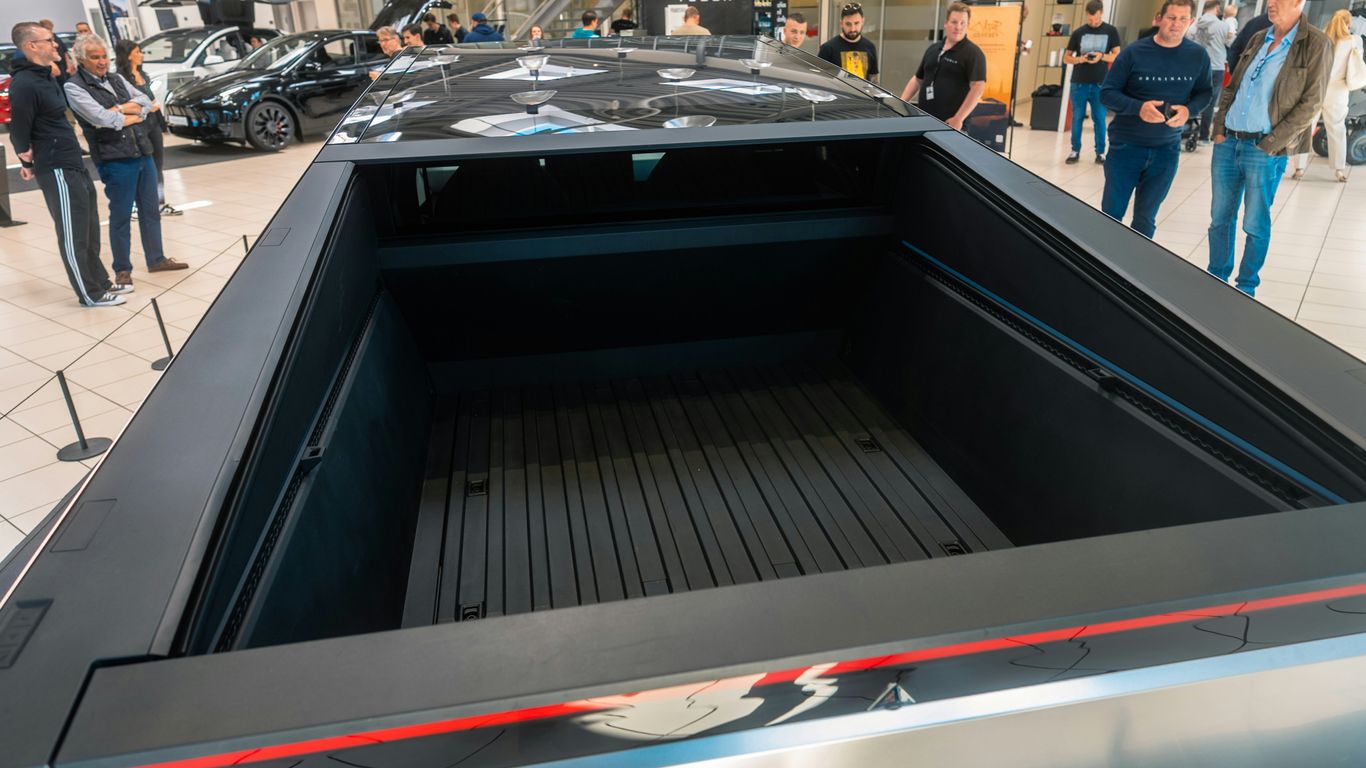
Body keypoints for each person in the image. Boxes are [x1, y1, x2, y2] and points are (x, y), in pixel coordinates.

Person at [1208, 0, 1331, 296]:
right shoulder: (1257, 36)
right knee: (1219, 218)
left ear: (1298, 2)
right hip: (1229, 142)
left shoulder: (1315, 42)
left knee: (1255, 222)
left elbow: (1311, 102)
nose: (1271, 4)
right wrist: (1219, 127)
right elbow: (1233, 86)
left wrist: (1271, 143)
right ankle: (1215, 279)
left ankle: (1246, 287)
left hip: (1264, 148)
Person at [8, 22, 125, 307]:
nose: (55, 44)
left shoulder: (46, 76)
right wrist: (25, 156)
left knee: (88, 227)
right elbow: (19, 128)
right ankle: (89, 294)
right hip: (56, 165)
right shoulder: (24, 84)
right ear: (31, 46)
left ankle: (101, 282)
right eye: (49, 40)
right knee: (73, 232)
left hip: (72, 160)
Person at [67, 34, 187, 291]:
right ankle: (122, 270)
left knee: (151, 210)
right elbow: (102, 120)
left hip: (143, 152)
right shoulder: (74, 86)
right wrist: (126, 111)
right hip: (115, 160)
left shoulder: (116, 78)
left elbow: (146, 103)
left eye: (104, 57)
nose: (101, 62)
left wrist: (120, 110)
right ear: (81, 59)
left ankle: (156, 259)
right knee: (121, 216)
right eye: (95, 57)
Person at [1099, 0, 1212, 238]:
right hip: (1126, 147)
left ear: (1191, 22)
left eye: (1183, 19)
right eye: (1171, 17)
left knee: (1145, 219)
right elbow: (1107, 93)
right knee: (1111, 215)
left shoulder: (1198, 56)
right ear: (1159, 18)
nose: (1176, 24)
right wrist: (1138, 107)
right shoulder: (1133, 52)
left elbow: (1205, 93)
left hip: (1166, 150)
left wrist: (1188, 110)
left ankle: (1133, 271)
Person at [1291, 9, 1362, 181]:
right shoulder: (1354, 41)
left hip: (1316, 88)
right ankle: (1338, 170)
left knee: (1306, 126)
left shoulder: (1319, 38)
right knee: (1337, 129)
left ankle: (1299, 168)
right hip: (1338, 92)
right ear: (1348, 24)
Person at [115, 39, 179, 218]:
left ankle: (159, 203)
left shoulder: (144, 74)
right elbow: (125, 103)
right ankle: (137, 205)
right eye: (137, 52)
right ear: (128, 55)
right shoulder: (119, 78)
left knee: (157, 164)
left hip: (153, 124)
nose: (141, 55)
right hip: (137, 126)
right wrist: (146, 107)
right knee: (141, 165)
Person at [901, 3, 985, 128]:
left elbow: (978, 88)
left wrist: (958, 118)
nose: (958, 27)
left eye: (963, 23)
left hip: (951, 124)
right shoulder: (933, 49)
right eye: (954, 22)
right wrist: (901, 103)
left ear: (968, 25)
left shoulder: (973, 53)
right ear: (946, 23)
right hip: (925, 119)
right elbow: (918, 79)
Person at [1063, 0, 1122, 163]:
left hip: (1100, 84)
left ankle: (1101, 153)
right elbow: (1066, 57)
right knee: (1077, 118)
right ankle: (1075, 151)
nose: (1093, 22)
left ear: (1101, 13)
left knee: (1099, 118)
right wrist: (1081, 59)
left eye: (1095, 19)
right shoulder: (1078, 33)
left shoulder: (1111, 31)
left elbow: (1117, 55)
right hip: (1079, 83)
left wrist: (1101, 56)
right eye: (1089, 19)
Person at [1190, 0, 1234, 143]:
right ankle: (1203, 137)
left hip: (1196, 66)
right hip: (1216, 67)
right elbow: (1231, 43)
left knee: (1191, 97)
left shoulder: (1194, 24)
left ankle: (1186, 130)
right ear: (1216, 8)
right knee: (1210, 101)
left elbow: (1187, 40)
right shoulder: (1223, 26)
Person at [819, 3, 878, 82]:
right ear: (841, 23)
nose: (853, 29)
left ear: (862, 21)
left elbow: (874, 80)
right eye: (848, 24)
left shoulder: (870, 47)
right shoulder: (828, 48)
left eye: (856, 23)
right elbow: (819, 79)